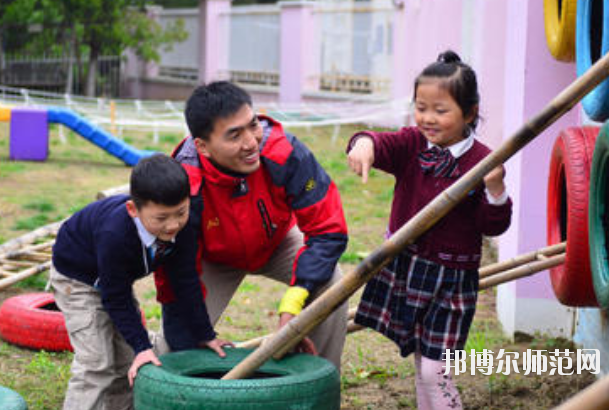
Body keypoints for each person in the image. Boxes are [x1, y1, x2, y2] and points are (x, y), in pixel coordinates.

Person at [346, 51, 512, 410]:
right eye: (421, 107)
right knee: (423, 360)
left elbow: (493, 224)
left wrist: (496, 190)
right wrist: (363, 144)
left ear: (469, 113)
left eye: (441, 110)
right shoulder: (411, 144)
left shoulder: (483, 161)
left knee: (436, 369)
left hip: (451, 279)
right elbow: (378, 141)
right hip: (406, 267)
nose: (428, 118)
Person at [163, 81, 348, 368]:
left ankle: (317, 379)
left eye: (253, 125)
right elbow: (176, 264)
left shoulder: (284, 152)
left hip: (277, 241)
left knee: (330, 281)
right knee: (175, 342)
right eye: (234, 135)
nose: (251, 142)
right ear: (203, 146)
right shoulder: (185, 179)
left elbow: (327, 230)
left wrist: (294, 304)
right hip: (213, 257)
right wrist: (188, 334)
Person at [50, 154, 229, 410]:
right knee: (97, 363)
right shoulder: (116, 235)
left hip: (113, 278)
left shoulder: (185, 228)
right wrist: (144, 346)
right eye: (161, 218)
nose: (173, 225)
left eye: (180, 212)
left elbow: (186, 280)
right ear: (134, 210)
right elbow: (115, 296)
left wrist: (204, 334)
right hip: (77, 277)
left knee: (128, 360)